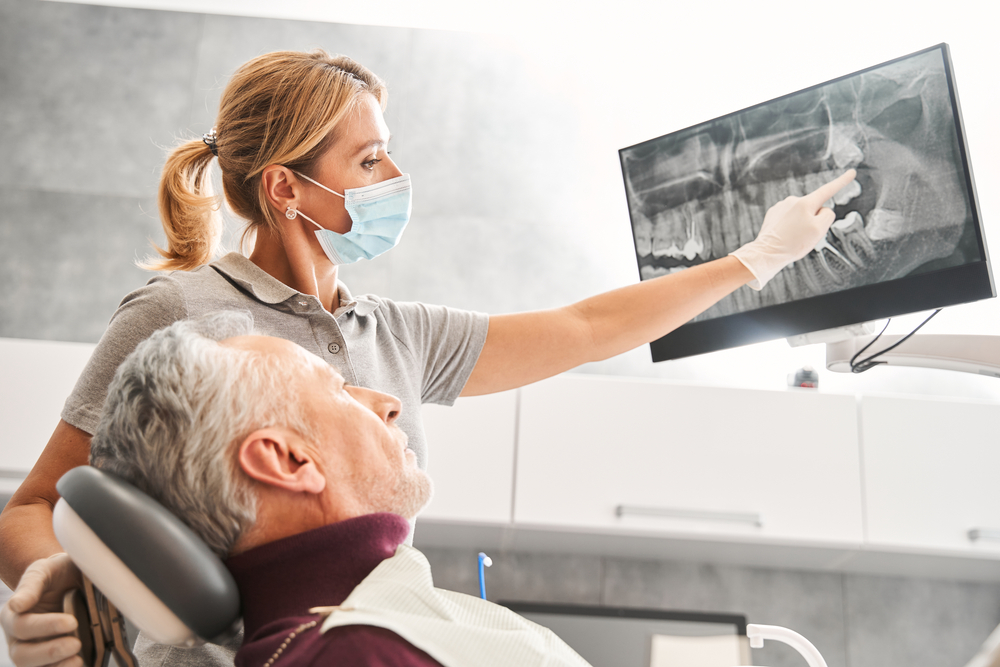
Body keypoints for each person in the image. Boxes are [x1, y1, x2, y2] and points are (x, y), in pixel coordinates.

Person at [0, 47, 856, 667]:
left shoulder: (396, 332)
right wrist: (64, 580)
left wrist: (755, 261)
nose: (396, 174)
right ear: (287, 188)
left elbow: (586, 326)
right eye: (369, 159)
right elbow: (37, 504)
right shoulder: (177, 312)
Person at [106, 312, 590, 666]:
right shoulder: (361, 655)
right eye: (338, 388)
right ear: (288, 460)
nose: (390, 402)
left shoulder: (362, 634)